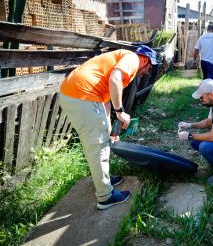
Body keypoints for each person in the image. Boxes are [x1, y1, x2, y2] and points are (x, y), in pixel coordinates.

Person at [59, 45, 157, 210]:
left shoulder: (118, 62)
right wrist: (121, 112)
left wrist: (109, 130)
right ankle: (105, 196)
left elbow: (106, 100)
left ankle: (104, 180)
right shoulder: (133, 58)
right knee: (98, 146)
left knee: (100, 142)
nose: (146, 72)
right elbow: (115, 80)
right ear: (145, 59)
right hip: (83, 96)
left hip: (78, 95)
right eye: (148, 68)